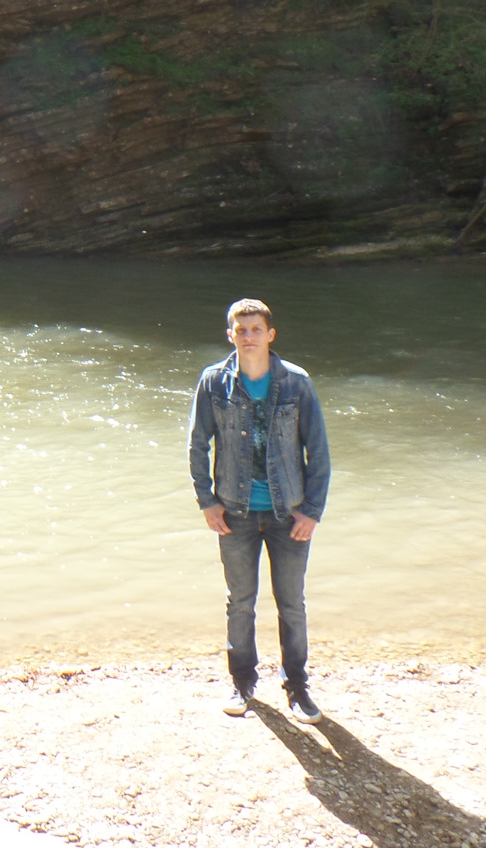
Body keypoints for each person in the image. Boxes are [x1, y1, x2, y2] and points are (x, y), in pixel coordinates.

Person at [186, 297, 331, 723]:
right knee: (241, 602)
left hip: (290, 513)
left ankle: (297, 687)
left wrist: (312, 510)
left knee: (292, 603)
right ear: (230, 335)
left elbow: (318, 451)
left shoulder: (296, 383)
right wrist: (207, 501)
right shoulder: (214, 382)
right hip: (235, 512)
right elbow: (196, 445)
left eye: (255, 329)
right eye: (240, 330)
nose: (248, 337)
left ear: (270, 334)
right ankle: (242, 682)